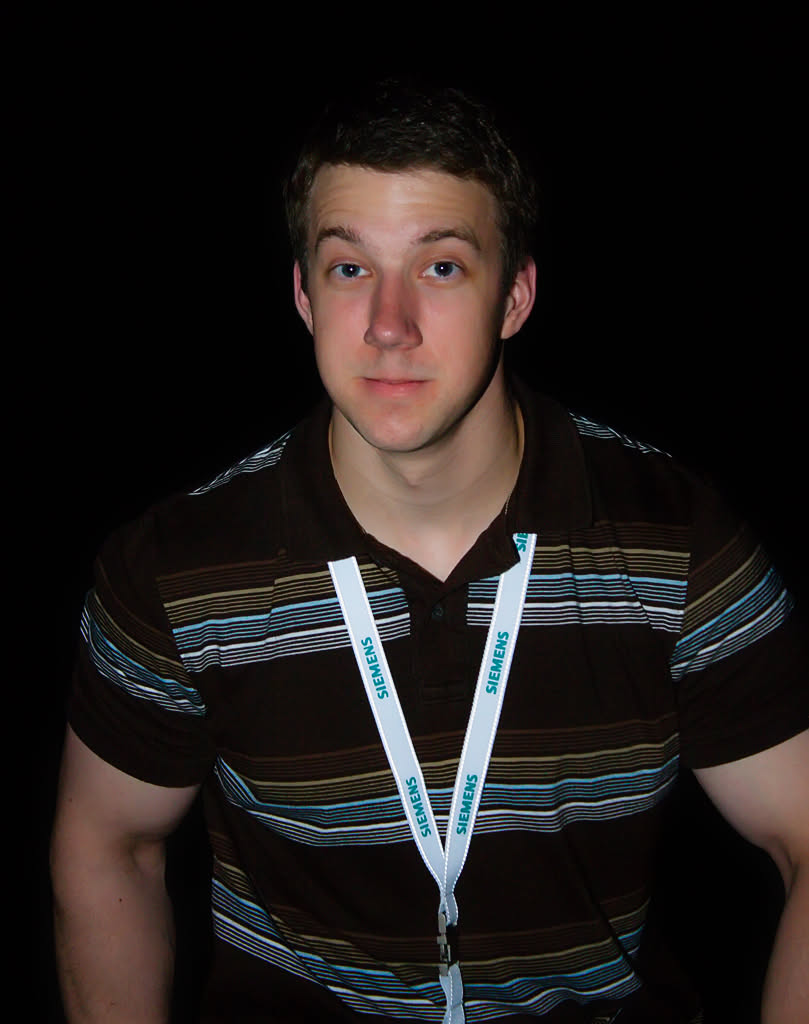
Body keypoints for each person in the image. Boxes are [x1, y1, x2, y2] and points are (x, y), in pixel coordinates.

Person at [51, 80, 808, 1023]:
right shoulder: (176, 570)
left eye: (441, 267)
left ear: (515, 295)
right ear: (302, 293)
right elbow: (109, 846)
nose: (388, 323)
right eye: (349, 268)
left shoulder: (675, 541)